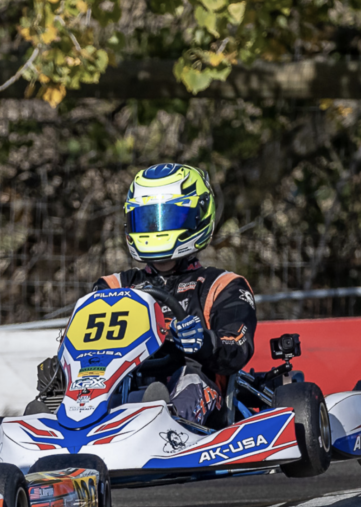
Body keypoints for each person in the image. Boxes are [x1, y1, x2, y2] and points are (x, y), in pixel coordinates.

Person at [38, 163, 257, 426]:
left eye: (168, 218)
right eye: (146, 219)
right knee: (67, 388)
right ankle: (50, 421)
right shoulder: (112, 286)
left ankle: (168, 423)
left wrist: (203, 342)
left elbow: (238, 346)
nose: (155, 229)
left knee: (189, 379)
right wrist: (62, 370)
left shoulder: (222, 285)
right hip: (119, 387)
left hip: (194, 390)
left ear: (198, 217)